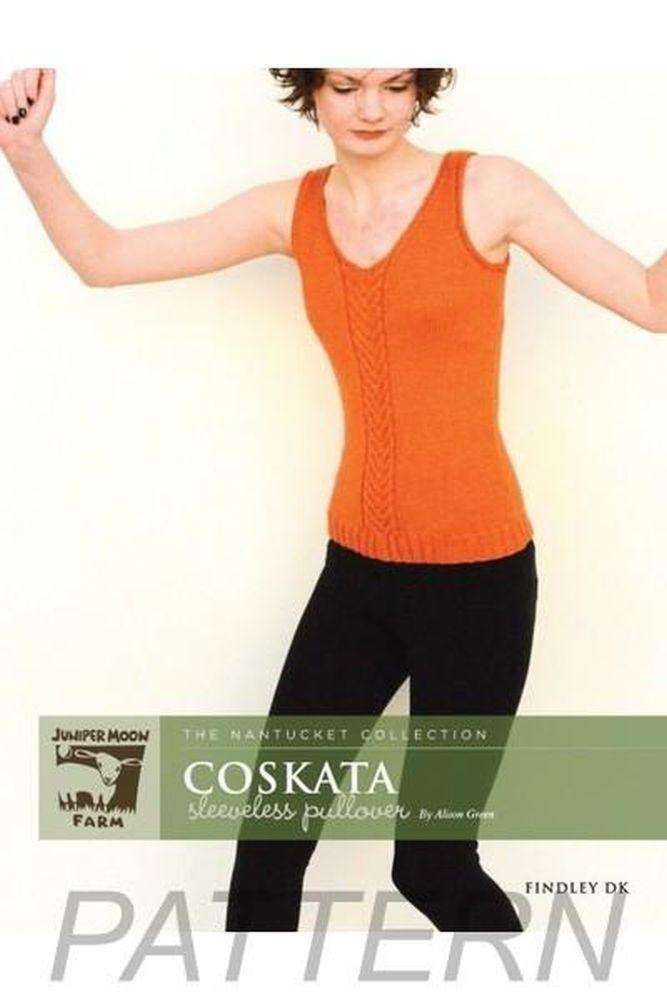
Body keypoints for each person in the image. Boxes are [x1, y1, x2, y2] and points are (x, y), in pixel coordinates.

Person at [3, 67, 665, 932]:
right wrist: (25, 149)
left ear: (420, 90)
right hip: (356, 579)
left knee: (434, 866)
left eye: (394, 85)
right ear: (310, 90)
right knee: (266, 854)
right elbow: (106, 260)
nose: (371, 109)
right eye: (346, 86)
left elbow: (650, 302)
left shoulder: (488, 190)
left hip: (480, 585)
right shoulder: (291, 210)